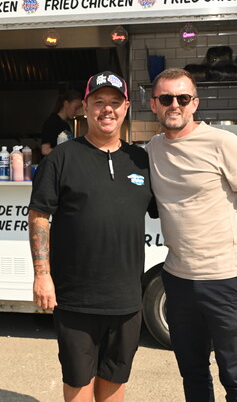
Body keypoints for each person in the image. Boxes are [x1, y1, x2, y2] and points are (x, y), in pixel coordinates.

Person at [146, 67, 237, 402]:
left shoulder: (222, 142)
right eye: (167, 98)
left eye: (183, 98)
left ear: (195, 104)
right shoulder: (152, 149)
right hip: (177, 280)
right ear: (153, 104)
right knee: (193, 374)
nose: (175, 104)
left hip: (226, 280)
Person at [29, 72, 156, 402]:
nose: (107, 110)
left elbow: (177, 207)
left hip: (126, 300)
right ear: (84, 107)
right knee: (78, 387)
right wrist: (42, 276)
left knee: (115, 385)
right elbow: (39, 216)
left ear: (126, 107)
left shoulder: (141, 160)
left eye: (115, 102)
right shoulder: (61, 158)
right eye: (98, 102)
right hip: (75, 300)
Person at [41, 90, 83, 156]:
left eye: (79, 109)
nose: (77, 111)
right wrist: (66, 153)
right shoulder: (52, 122)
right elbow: (45, 150)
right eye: (76, 108)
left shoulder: (66, 124)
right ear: (66, 104)